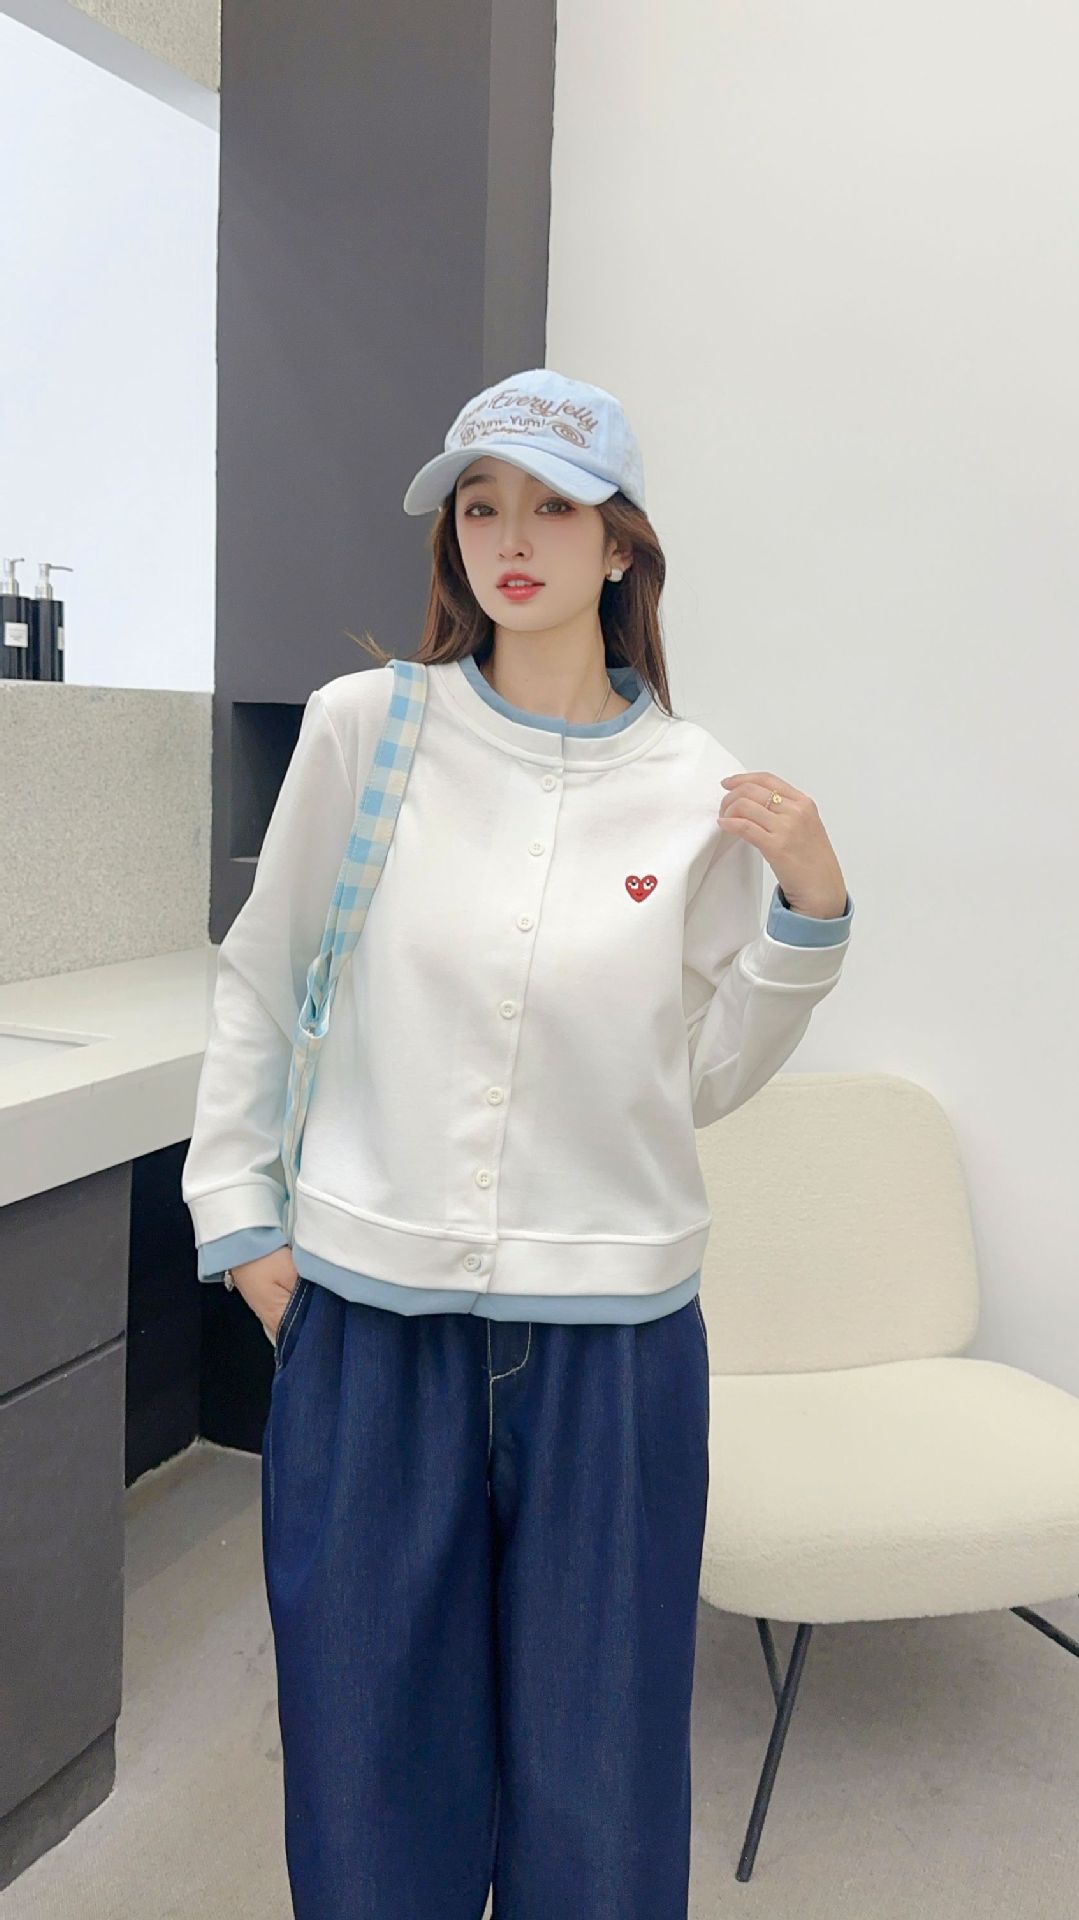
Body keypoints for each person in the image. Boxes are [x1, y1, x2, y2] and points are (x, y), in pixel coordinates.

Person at [181, 367, 855, 1919]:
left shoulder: (695, 787)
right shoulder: (367, 731)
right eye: (481, 507)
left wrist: (809, 922)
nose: (512, 538)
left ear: (621, 546)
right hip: (370, 1325)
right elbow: (264, 975)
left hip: (615, 1350)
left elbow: (695, 1078)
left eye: (553, 507)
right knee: (367, 1763)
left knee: (601, 1784)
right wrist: (241, 1223)